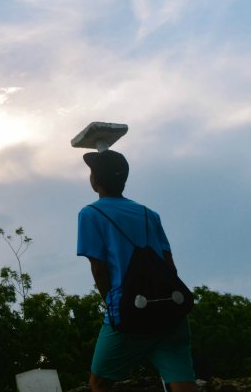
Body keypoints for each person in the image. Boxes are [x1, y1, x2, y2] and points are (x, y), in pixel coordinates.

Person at [77, 149, 196, 392]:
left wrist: (111, 304)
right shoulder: (149, 214)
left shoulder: (90, 214)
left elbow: (99, 269)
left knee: (99, 383)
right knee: (183, 382)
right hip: (170, 309)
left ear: (95, 180)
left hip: (129, 311)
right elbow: (169, 265)